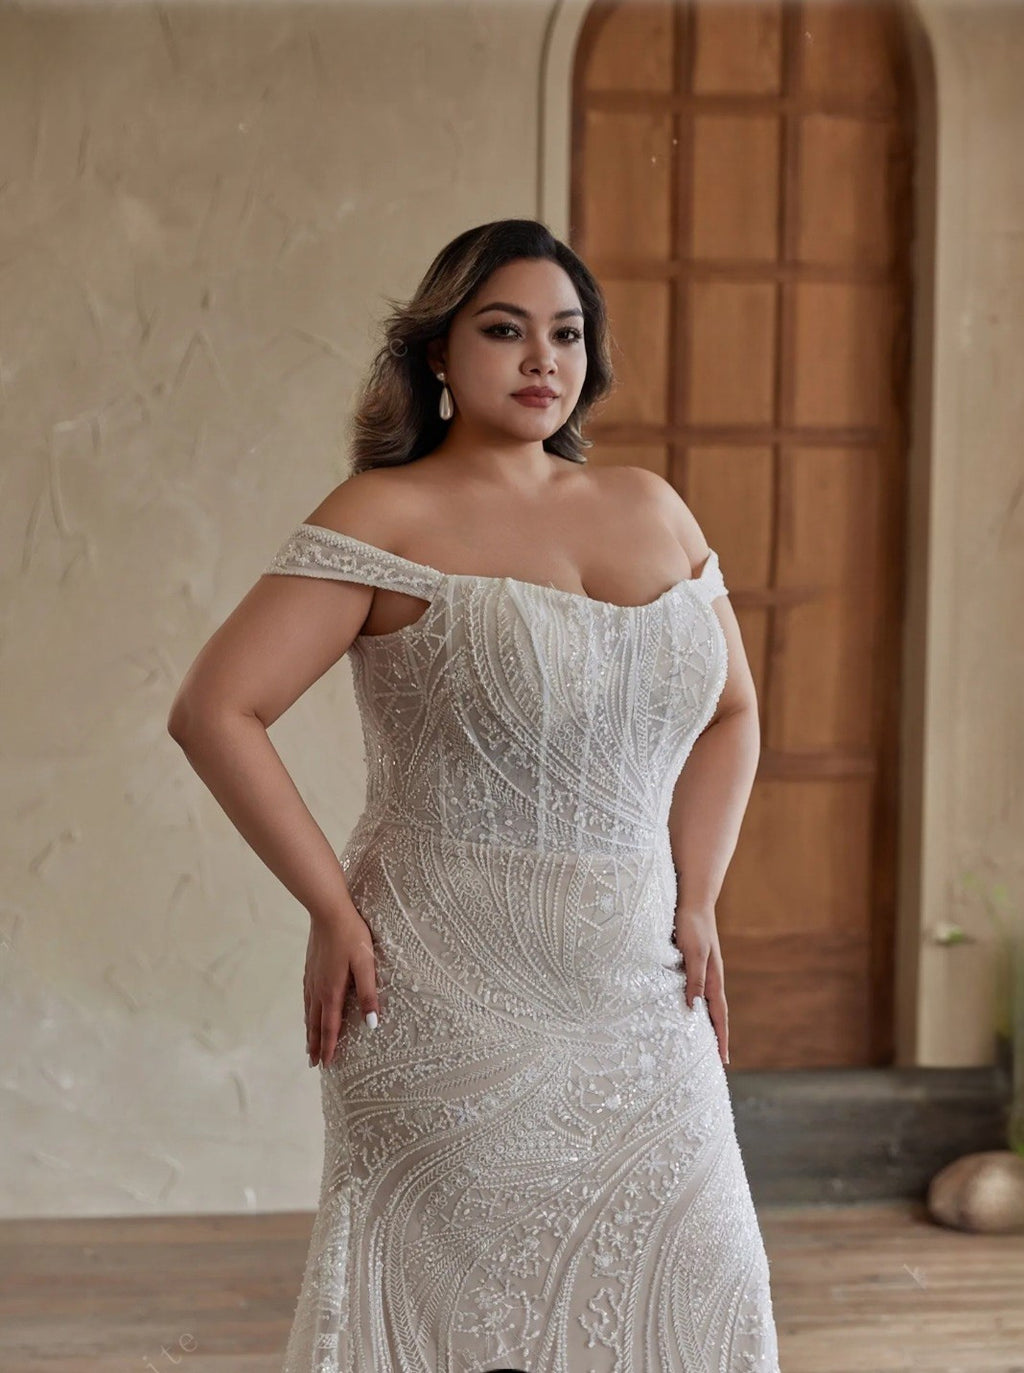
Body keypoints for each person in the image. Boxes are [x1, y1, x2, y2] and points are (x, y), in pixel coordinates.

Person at [168, 218, 781, 1372]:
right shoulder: (380, 514)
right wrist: (333, 909)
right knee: (454, 1325)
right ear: (437, 356)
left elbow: (733, 712)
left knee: (698, 1293)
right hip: (441, 988)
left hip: (639, 991)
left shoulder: (652, 507)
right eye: (504, 331)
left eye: (565, 333)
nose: (542, 358)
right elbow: (216, 709)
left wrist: (697, 895)